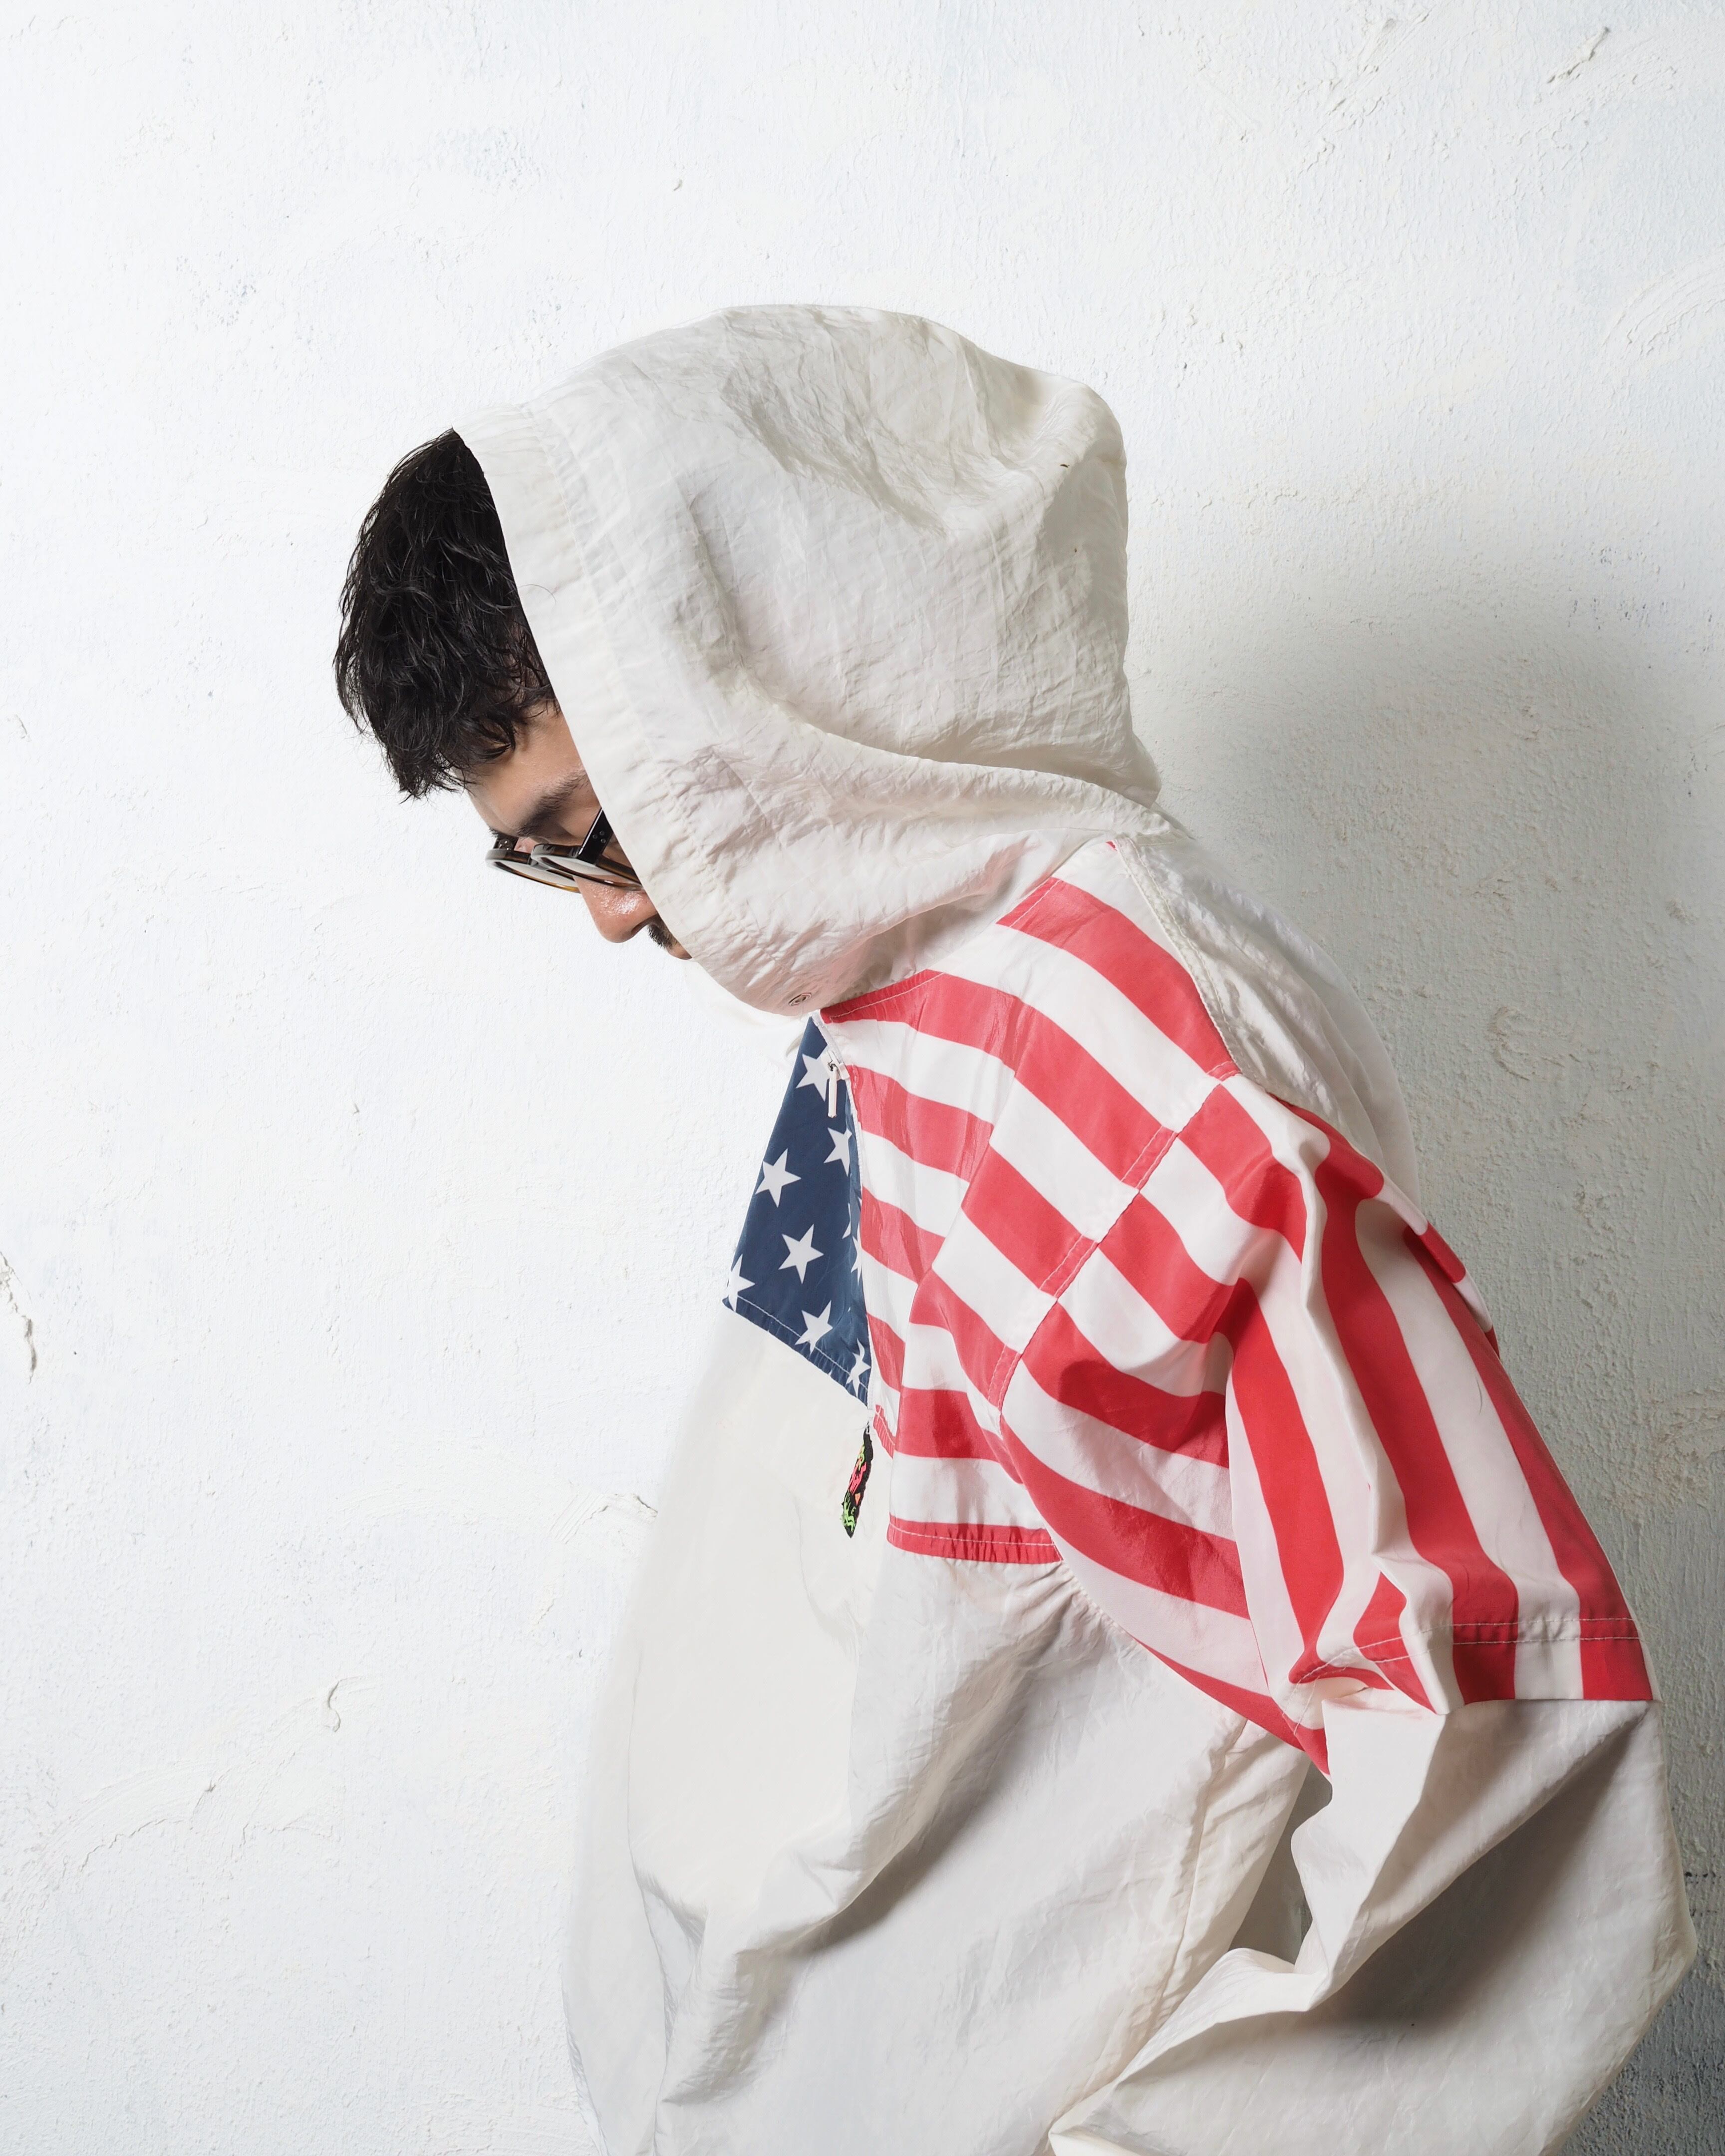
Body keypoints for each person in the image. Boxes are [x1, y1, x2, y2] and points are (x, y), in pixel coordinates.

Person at [333, 306, 1693, 2156]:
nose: (607, 916)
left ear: (735, 697)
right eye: (544, 858)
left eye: (597, 830)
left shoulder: (1137, 1061)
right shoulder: (899, 968)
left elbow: (1504, 1727)